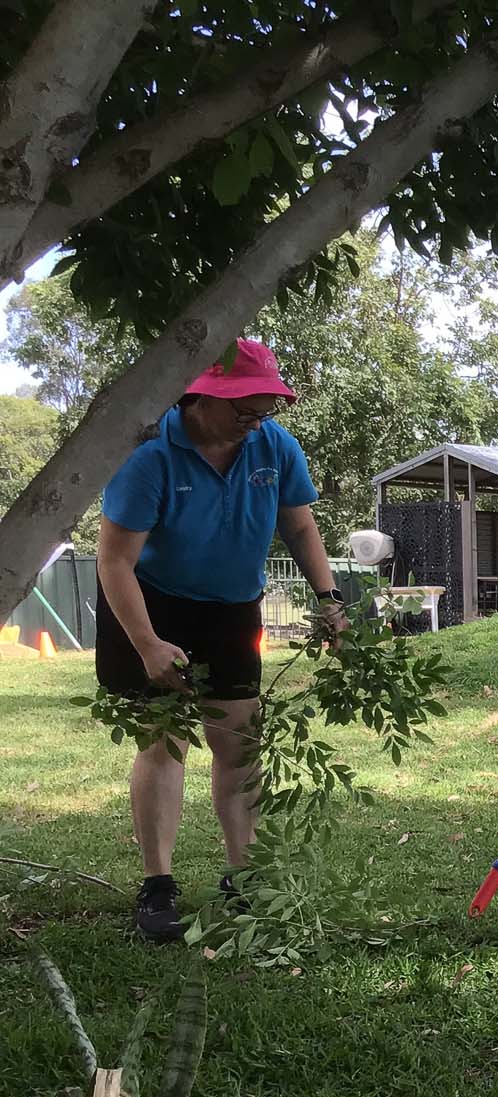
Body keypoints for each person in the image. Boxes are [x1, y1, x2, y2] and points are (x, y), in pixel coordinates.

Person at [95, 339, 344, 942]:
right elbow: (114, 561)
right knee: (164, 744)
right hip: (153, 604)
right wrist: (149, 643)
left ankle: (244, 877)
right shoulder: (150, 454)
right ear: (199, 397)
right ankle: (158, 888)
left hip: (234, 609)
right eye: (243, 410)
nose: (255, 421)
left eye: (264, 410)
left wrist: (329, 597)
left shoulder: (273, 446)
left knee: (239, 742)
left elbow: (300, 523)